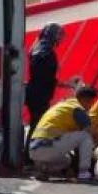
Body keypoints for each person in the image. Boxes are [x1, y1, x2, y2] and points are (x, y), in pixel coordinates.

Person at [28, 86, 98, 183]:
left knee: (66, 160)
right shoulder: (78, 109)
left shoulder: (63, 105)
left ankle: (42, 169)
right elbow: (90, 132)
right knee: (86, 136)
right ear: (85, 100)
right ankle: (84, 172)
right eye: (91, 103)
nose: (90, 107)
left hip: (34, 150)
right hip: (50, 145)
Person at [25, 23, 69, 157]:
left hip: (38, 92)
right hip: (39, 94)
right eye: (59, 35)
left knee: (36, 125)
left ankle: (30, 155)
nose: (60, 39)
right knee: (38, 126)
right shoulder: (44, 49)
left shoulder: (39, 47)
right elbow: (43, 74)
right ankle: (30, 155)